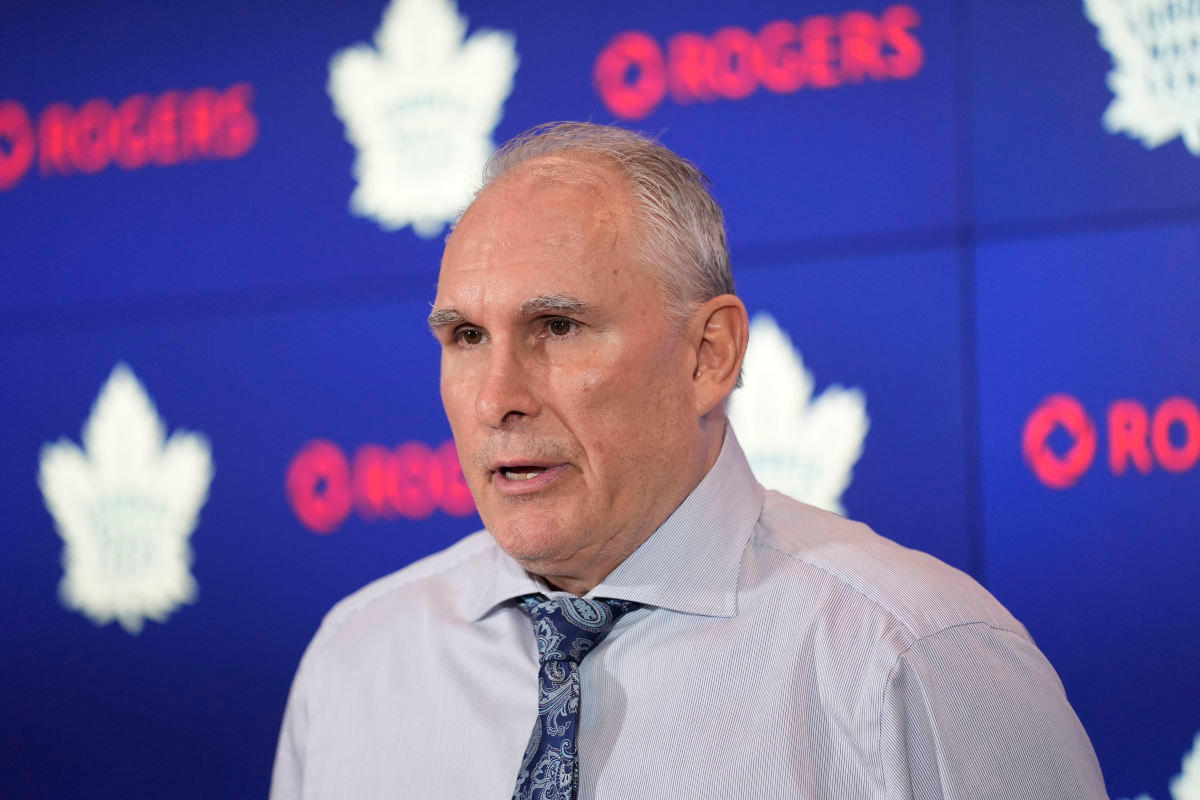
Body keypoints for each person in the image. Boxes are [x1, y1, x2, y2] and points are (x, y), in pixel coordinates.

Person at [270, 121, 1107, 799]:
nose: (497, 399)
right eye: (465, 337)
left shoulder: (912, 657)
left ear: (709, 354)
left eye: (557, 328)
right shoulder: (358, 660)